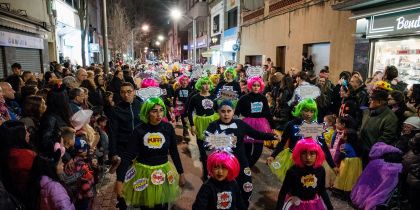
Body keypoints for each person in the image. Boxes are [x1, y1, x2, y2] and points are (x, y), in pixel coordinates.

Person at [206, 99, 279, 208]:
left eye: (229, 111)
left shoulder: (240, 124)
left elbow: (256, 134)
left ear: (233, 111)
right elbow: (206, 144)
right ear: (218, 112)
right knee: (221, 190)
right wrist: (224, 140)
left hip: (241, 161)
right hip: (221, 164)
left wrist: (272, 136)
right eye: (223, 111)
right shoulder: (213, 125)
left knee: (247, 186)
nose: (226, 114)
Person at [115, 97, 185, 210]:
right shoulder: (138, 130)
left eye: (161, 110)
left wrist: (181, 172)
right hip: (143, 173)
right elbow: (127, 155)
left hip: (163, 171)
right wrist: (120, 180)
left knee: (162, 206)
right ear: (147, 113)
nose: (159, 114)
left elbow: (174, 151)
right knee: (146, 206)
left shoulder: (168, 128)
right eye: (154, 111)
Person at [268, 99, 336, 183]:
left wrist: (333, 165)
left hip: (310, 161)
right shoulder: (291, 124)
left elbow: (324, 147)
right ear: (300, 110)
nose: (308, 114)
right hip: (293, 160)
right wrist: (273, 155)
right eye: (306, 110)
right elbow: (282, 142)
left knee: (307, 186)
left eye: (311, 111)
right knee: (291, 185)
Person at [276, 138, 333, 210]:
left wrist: (330, 207)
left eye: (312, 153)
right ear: (298, 154)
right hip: (297, 205)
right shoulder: (293, 171)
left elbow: (322, 190)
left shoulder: (320, 170)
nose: (308, 158)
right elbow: (283, 193)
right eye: (304, 153)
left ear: (317, 154)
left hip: (314, 205)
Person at [235, 77, 273, 167]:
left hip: (261, 125)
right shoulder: (244, 98)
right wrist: (234, 124)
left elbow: (267, 113)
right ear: (250, 86)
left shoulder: (263, 98)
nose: (256, 87)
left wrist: (273, 126)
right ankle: (245, 168)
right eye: (254, 85)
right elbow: (237, 112)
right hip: (247, 124)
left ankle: (248, 166)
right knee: (247, 149)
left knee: (258, 151)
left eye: (258, 85)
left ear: (261, 87)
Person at [188, 77, 219, 179]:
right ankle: (205, 173)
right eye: (203, 84)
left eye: (207, 84)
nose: (206, 86)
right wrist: (192, 125)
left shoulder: (214, 97)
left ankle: (213, 168)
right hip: (200, 123)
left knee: (212, 147)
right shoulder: (195, 97)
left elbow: (218, 110)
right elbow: (189, 111)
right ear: (199, 85)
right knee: (202, 148)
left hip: (212, 122)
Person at [360, 89, 398, 166]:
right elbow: (361, 126)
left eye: (372, 100)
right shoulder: (368, 112)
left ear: (380, 102)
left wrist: (373, 149)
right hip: (362, 149)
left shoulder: (390, 117)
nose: (369, 101)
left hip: (373, 154)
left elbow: (387, 137)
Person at [108, 82, 142, 169]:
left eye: (129, 91)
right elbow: (112, 133)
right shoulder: (116, 110)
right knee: (124, 177)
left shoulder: (141, 106)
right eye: (122, 92)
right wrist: (113, 153)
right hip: (123, 149)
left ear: (134, 92)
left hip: (141, 148)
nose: (126, 95)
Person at [39, 86, 72, 157]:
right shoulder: (50, 118)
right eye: (66, 97)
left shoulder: (59, 114)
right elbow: (46, 142)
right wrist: (66, 156)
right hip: (59, 157)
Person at [332, 129, 363, 199]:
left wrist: (336, 162)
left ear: (346, 137)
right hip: (356, 162)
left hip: (347, 162)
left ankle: (342, 191)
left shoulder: (344, 146)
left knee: (344, 176)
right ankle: (351, 190)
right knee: (353, 176)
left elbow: (341, 156)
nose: (341, 135)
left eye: (342, 134)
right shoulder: (358, 145)